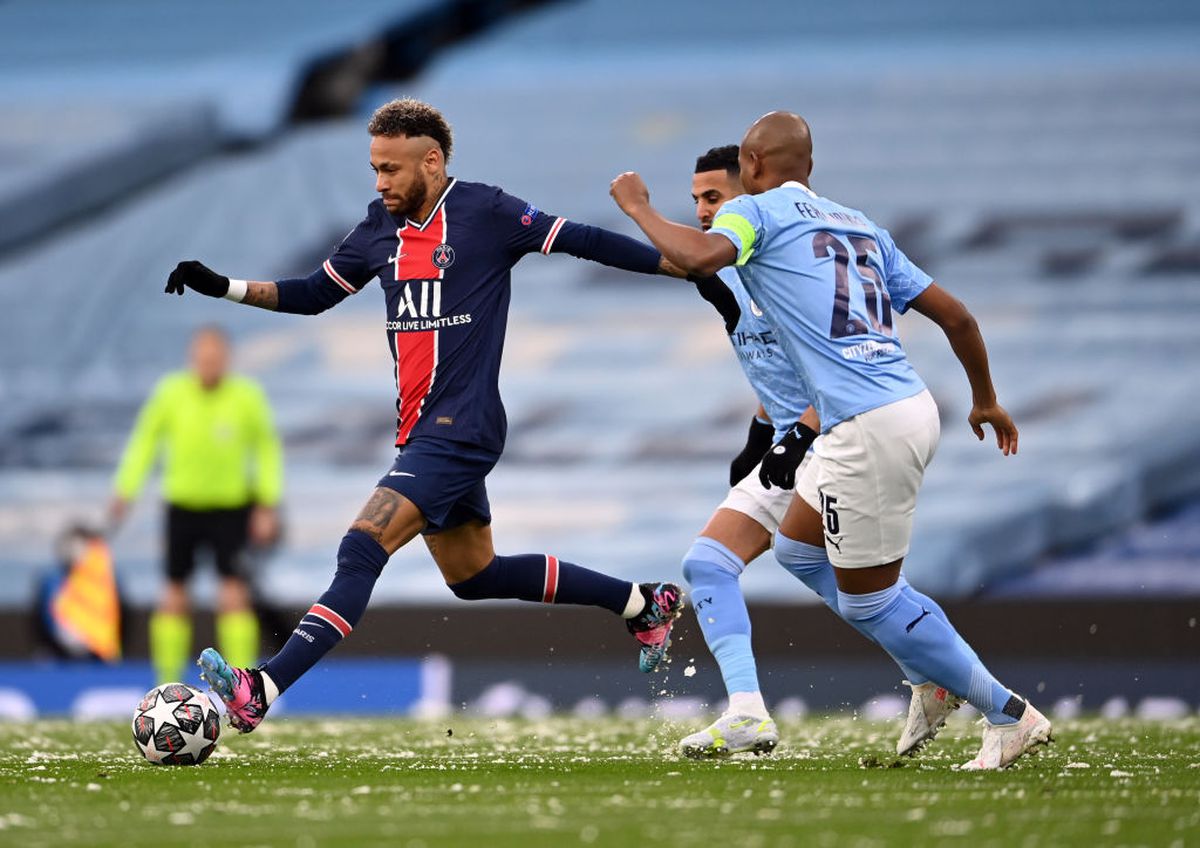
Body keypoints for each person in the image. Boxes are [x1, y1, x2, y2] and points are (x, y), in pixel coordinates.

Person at [164, 98, 684, 733]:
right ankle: (640, 603)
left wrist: (674, 264)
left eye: (391, 168)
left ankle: (264, 686)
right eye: (374, 168)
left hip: (461, 428)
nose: (380, 182)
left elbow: (581, 239)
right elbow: (313, 294)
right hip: (422, 431)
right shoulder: (376, 229)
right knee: (473, 575)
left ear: (431, 162)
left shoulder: (487, 212)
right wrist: (225, 286)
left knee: (361, 546)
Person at [610, 112, 1051, 770]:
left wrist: (638, 206)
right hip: (895, 407)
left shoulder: (756, 216)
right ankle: (928, 677)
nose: (708, 209)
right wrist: (985, 398)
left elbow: (699, 255)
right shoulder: (859, 224)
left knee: (873, 597)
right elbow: (956, 315)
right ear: (808, 168)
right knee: (794, 549)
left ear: (752, 170)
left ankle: (1007, 711)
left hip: (864, 424)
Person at [674, 145, 821, 757]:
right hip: (796, 439)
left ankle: (985, 698)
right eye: (698, 202)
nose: (705, 213)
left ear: (752, 197)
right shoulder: (729, 279)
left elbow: (836, 371)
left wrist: (798, 436)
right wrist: (760, 436)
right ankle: (747, 712)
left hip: (839, 439)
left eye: (716, 198)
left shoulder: (785, 268)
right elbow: (777, 371)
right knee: (710, 564)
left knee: (869, 594)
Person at [110, 326, 281, 684]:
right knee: (174, 593)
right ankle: (167, 683)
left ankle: (240, 685)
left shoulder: (246, 396)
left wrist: (267, 503)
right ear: (192, 358)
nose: (209, 365)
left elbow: (266, 449)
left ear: (227, 359)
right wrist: (125, 490)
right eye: (203, 358)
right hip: (182, 507)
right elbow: (145, 441)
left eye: (215, 358)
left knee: (233, 593)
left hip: (231, 508)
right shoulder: (171, 393)